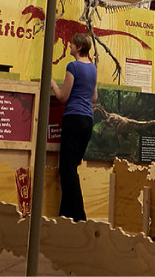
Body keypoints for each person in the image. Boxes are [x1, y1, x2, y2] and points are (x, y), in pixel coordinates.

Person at [51, 31, 97, 221]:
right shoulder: (92, 68)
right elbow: (94, 97)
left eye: (71, 45)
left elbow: (62, 97)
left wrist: (52, 83)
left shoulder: (73, 66)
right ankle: (65, 215)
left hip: (74, 117)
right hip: (87, 121)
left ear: (79, 48)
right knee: (70, 168)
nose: (69, 47)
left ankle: (79, 216)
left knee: (67, 169)